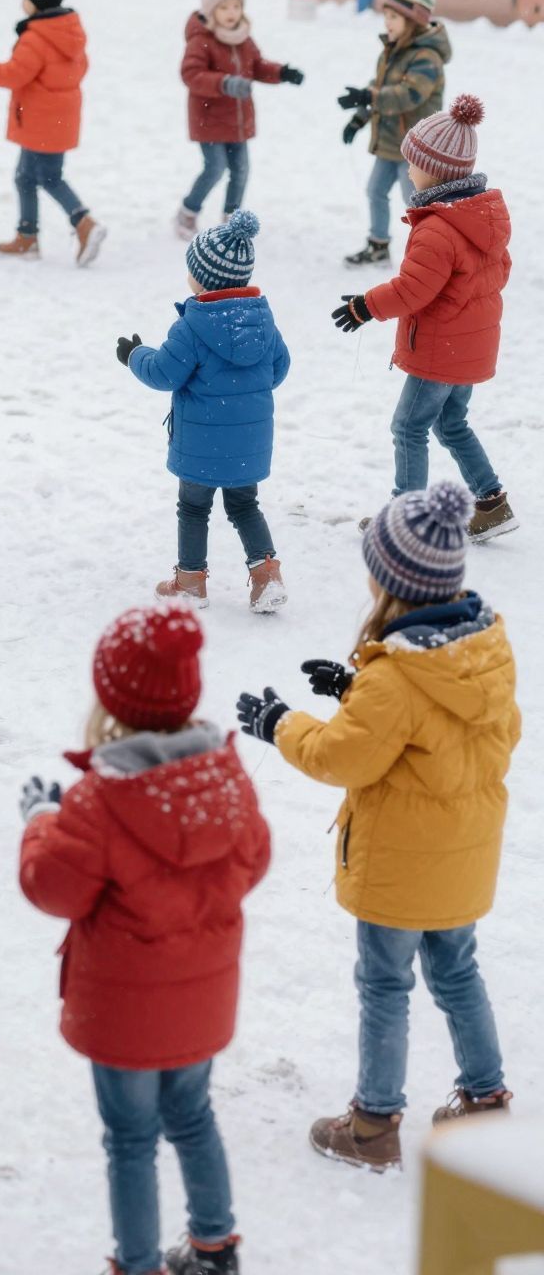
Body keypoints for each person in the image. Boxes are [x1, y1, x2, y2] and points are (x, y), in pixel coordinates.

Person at [237, 481, 518, 1173]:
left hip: (400, 867)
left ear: (393, 579)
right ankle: (486, 1098)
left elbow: (343, 757)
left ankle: (371, 1123)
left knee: (385, 986)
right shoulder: (480, 648)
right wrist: (355, 690)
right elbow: (435, 730)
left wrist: (283, 725)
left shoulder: (397, 678)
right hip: (462, 857)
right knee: (457, 971)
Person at [19, 603, 269, 1275]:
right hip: (200, 1001)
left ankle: (136, 1264)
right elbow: (256, 859)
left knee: (131, 1141)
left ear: (110, 703)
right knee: (192, 1116)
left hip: (124, 1016)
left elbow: (53, 888)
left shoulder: (100, 802)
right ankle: (216, 1249)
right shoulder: (225, 779)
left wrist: (40, 821)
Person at [332, 94, 515, 542]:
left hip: (441, 349)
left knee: (409, 426)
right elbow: (500, 272)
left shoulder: (437, 228)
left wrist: (364, 306)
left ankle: (405, 519)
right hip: (470, 344)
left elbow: (413, 290)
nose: (408, 170)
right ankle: (492, 503)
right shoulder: (480, 217)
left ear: (434, 170)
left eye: (412, 163)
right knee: (451, 423)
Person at [117, 210, 290, 613]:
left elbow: (162, 373)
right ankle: (267, 577)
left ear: (203, 277)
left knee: (194, 507)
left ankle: (191, 582)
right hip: (249, 442)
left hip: (201, 441)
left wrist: (134, 356)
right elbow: (279, 369)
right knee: (245, 505)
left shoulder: (193, 326)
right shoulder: (263, 320)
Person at [0, 0, 106, 264]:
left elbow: (14, 74)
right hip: (58, 118)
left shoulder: (36, 38)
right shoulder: (69, 32)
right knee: (25, 177)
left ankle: (83, 222)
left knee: (49, 177)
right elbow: (80, 69)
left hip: (41, 120)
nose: (22, 3)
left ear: (36, 1)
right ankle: (27, 236)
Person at [175, 0, 303, 240]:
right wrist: (224, 83)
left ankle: (231, 219)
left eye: (236, 6)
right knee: (215, 167)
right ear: (210, 10)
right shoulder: (201, 40)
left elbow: (256, 66)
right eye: (223, 7)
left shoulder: (242, 37)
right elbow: (191, 74)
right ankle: (187, 212)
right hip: (209, 117)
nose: (231, 13)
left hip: (237, 118)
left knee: (241, 169)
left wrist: (282, 72)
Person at [338, 0, 451, 268]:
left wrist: (369, 98)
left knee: (415, 201)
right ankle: (378, 246)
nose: (386, 23)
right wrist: (359, 119)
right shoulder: (390, 52)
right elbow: (380, 89)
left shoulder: (427, 58)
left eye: (393, 17)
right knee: (375, 191)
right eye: (386, 16)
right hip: (391, 143)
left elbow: (406, 95)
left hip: (416, 148)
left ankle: (433, 251)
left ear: (412, 22)